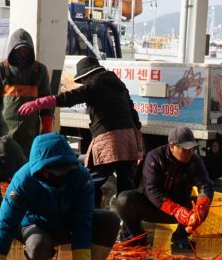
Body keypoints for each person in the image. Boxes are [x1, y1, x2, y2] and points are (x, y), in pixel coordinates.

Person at [0, 133, 120, 260]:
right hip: (38, 227)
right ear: (41, 169)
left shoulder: (81, 177)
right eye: (55, 172)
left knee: (110, 220)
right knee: (36, 244)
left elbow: (82, 223)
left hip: (68, 224)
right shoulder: (22, 181)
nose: (61, 177)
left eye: (65, 171)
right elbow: (4, 227)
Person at [19, 56, 143, 206]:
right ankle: (129, 227)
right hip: (129, 139)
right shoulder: (118, 84)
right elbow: (133, 114)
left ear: (87, 76)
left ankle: (90, 214)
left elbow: (69, 97)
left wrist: (38, 103)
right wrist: (139, 143)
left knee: (89, 181)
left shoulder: (94, 84)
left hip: (110, 141)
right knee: (126, 186)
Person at [113, 126, 215, 247]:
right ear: (172, 146)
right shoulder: (154, 157)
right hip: (150, 205)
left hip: (181, 205)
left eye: (192, 148)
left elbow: (206, 185)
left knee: (203, 205)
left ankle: (181, 236)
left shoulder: (195, 160)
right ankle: (134, 235)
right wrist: (176, 210)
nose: (189, 153)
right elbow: (152, 190)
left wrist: (201, 208)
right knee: (124, 200)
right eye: (185, 149)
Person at [0, 29, 52, 157]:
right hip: (5, 133)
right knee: (5, 164)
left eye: (25, 50)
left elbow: (46, 102)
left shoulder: (40, 71)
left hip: (30, 133)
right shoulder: (0, 70)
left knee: (28, 165)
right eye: (19, 50)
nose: (23, 54)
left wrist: (47, 128)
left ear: (31, 51)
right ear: (12, 50)